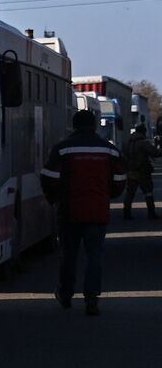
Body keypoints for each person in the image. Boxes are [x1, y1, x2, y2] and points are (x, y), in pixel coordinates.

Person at [41, 109, 125, 316]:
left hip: (69, 211)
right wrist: (107, 195)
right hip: (97, 211)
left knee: (68, 255)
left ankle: (65, 294)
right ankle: (92, 299)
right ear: (94, 125)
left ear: (74, 125)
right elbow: (120, 180)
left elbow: (49, 177)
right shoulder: (110, 150)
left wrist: (54, 199)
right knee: (94, 255)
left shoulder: (62, 149)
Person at [121, 122, 157, 220]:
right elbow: (155, 153)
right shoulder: (143, 143)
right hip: (143, 172)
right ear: (143, 132)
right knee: (148, 192)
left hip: (131, 171)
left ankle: (126, 213)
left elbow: (123, 157)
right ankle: (151, 212)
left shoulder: (127, 143)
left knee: (130, 193)